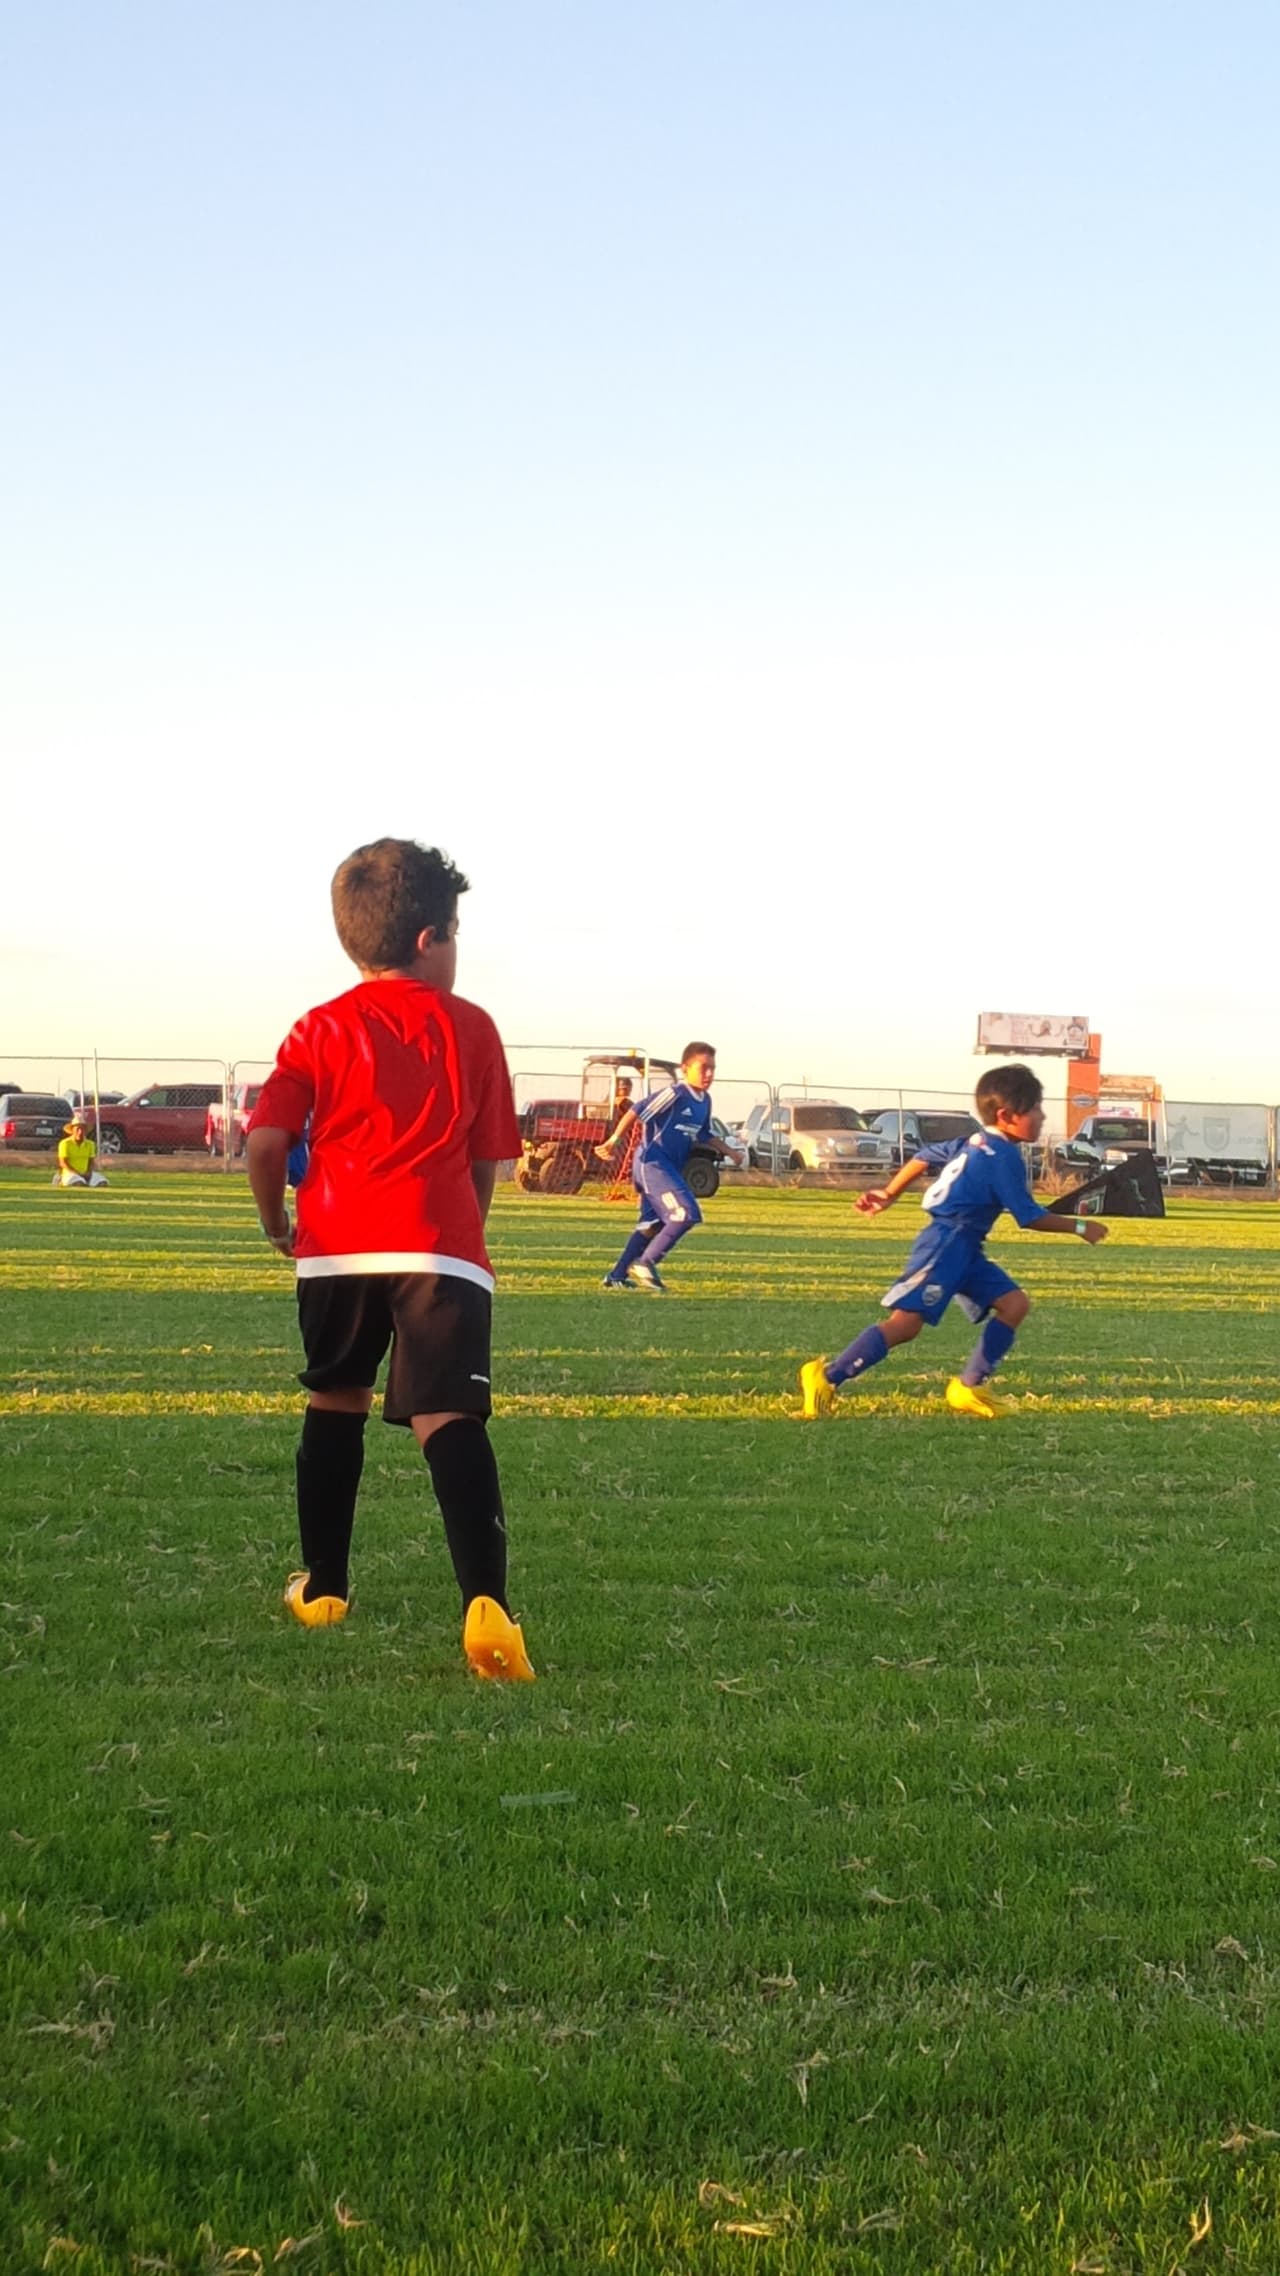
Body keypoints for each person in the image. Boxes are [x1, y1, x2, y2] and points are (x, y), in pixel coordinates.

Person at [245, 836, 534, 1680]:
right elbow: (486, 1160)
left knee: (335, 1401)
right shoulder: (473, 1027)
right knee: (450, 1422)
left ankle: (325, 1588)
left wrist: (277, 1223)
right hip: (439, 1251)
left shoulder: (319, 1027)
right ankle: (487, 1606)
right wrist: (462, 1241)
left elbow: (266, 1141)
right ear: (428, 940)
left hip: (335, 1250)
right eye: (455, 933)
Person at [799, 1062, 1108, 1420]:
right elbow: (1029, 1217)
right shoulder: (1003, 1155)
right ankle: (826, 1377)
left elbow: (923, 1156)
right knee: (905, 1325)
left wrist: (889, 1191)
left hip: (965, 1247)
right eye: (1035, 1108)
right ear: (1007, 1115)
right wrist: (1081, 1228)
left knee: (1014, 1304)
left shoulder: (976, 1140)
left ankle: (969, 1387)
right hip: (945, 1245)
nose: (1041, 1116)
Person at [596, 1042, 733, 1292]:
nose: (709, 1074)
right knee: (685, 1213)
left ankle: (616, 1276)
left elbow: (703, 1133)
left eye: (712, 1068)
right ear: (685, 1068)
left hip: (667, 1167)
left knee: (652, 1224)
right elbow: (637, 1111)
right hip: (652, 1164)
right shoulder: (676, 1093)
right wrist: (614, 1139)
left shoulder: (705, 1101)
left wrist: (730, 1151)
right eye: (703, 1068)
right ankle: (646, 1262)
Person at [56, 1115, 108, 1187]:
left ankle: (87, 1182)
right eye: (77, 1129)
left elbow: (91, 1161)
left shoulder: (90, 1144)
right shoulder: (65, 1143)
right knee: (79, 1183)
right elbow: (63, 1163)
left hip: (86, 1173)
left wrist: (88, 1172)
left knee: (103, 1183)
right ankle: (61, 1180)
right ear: (72, 1130)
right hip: (70, 1173)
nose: (80, 1132)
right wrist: (77, 1173)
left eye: (82, 1129)